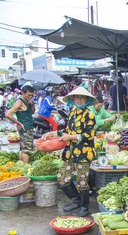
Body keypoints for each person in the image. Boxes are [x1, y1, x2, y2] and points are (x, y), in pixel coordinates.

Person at [42, 87, 97, 217]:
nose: (79, 99)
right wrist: (53, 133)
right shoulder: (72, 112)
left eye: (81, 97)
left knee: (82, 180)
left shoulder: (89, 114)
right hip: (70, 152)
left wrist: (71, 138)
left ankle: (84, 206)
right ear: (72, 99)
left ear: (87, 100)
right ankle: (76, 200)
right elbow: (67, 130)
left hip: (83, 152)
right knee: (62, 178)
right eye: (76, 97)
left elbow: (90, 134)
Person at [5, 84, 36, 163]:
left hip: (28, 127)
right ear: (23, 93)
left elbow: (32, 112)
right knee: (26, 150)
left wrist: (32, 105)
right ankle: (25, 167)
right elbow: (8, 114)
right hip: (25, 128)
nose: (30, 97)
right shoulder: (19, 102)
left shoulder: (27, 102)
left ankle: (21, 166)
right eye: (29, 95)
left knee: (22, 148)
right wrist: (19, 123)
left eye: (32, 95)